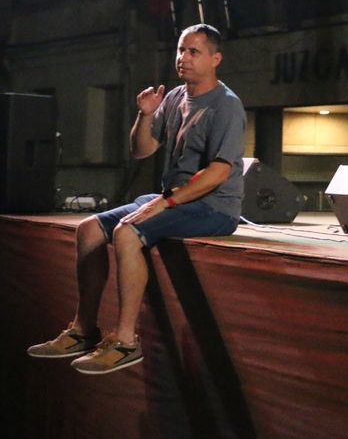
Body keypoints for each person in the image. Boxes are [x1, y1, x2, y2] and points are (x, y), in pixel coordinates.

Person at [27, 24, 245, 374]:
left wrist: (166, 202)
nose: (183, 58)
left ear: (215, 59)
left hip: (214, 207)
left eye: (194, 52)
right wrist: (145, 114)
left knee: (127, 233)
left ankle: (126, 342)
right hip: (173, 198)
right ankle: (84, 330)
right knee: (88, 229)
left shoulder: (226, 106)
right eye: (181, 50)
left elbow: (219, 172)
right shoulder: (174, 97)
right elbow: (141, 150)